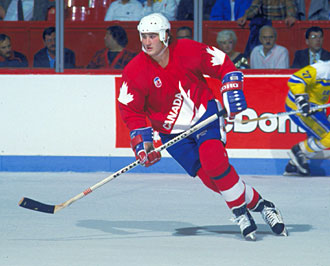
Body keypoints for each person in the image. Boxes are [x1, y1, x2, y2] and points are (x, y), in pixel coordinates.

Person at [118, 12, 288, 240]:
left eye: (152, 36)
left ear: (165, 36)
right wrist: (143, 143)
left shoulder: (187, 50)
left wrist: (231, 89)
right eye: (144, 36)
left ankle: (239, 212)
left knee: (213, 160)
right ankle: (264, 206)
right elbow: (130, 109)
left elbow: (222, 64)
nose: (147, 42)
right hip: (170, 133)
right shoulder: (135, 70)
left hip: (203, 116)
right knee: (209, 177)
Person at [283, 60, 330, 176]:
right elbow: (295, 79)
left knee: (319, 137)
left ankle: (293, 165)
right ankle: (299, 151)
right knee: (328, 137)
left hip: (316, 108)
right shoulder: (321, 69)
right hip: (300, 107)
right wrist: (302, 101)